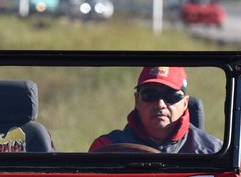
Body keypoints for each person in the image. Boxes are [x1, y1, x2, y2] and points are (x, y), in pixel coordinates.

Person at [89, 66, 223, 154]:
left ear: (185, 103)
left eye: (172, 96)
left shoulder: (214, 152)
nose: (160, 104)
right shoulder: (105, 149)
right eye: (150, 95)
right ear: (137, 100)